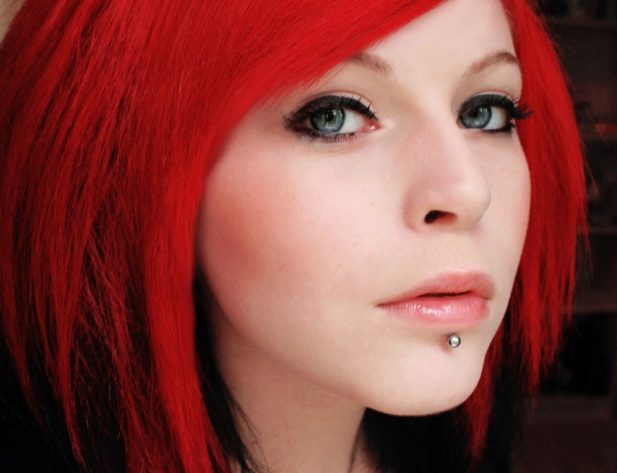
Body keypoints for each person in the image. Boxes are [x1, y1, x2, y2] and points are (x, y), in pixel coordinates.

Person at [0, 0, 586, 472]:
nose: (468, 191)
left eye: (485, 112)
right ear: (132, 168)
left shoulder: (465, 449)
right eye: (334, 115)